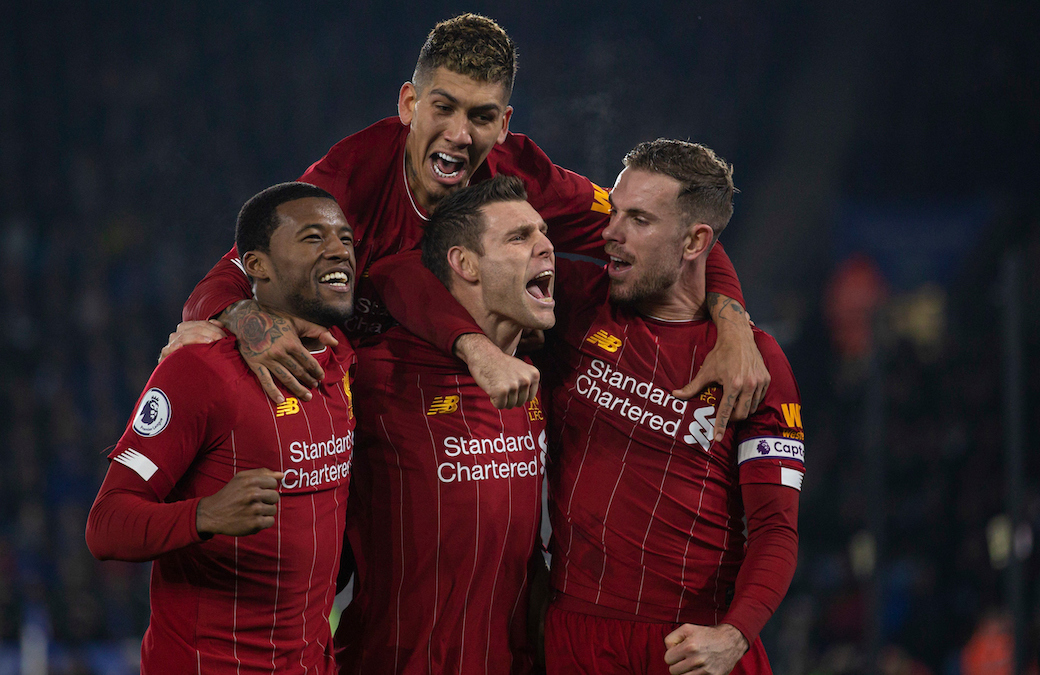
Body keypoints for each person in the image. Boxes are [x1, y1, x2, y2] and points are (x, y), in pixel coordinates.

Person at [173, 13, 767, 440]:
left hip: (474, 415)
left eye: (481, 116)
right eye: (444, 107)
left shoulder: (522, 179)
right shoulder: (343, 183)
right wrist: (247, 323)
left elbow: (665, 232)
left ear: (504, 123)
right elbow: (225, 281)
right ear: (409, 104)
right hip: (357, 411)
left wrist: (732, 321)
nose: (460, 134)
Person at [542, 140, 803, 674]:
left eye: (638, 219)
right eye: (614, 211)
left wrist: (734, 635)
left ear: (694, 241)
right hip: (573, 636)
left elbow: (776, 529)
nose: (610, 232)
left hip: (690, 648)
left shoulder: (753, 364)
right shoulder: (572, 302)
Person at [86, 182, 357, 674]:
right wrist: (206, 515)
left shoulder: (342, 359)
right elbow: (106, 527)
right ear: (256, 266)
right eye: (313, 238)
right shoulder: (200, 369)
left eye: (344, 238)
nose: (339, 250)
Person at [335, 175, 554, 674]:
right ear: (464, 263)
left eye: (543, 232)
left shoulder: (543, 375)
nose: (545, 246)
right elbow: (390, 270)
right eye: (519, 237)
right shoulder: (374, 376)